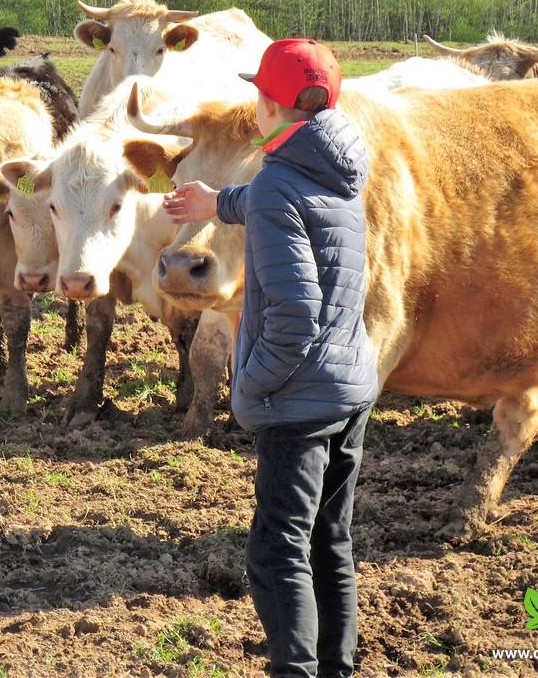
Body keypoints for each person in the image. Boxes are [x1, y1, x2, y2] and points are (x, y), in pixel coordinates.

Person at [163, 38, 379, 677]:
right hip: (349, 383)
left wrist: (252, 386)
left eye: (259, 94)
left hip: (297, 399)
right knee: (329, 541)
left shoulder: (278, 185)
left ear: (271, 105)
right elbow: (280, 203)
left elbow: (293, 315)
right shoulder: (335, 167)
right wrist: (217, 202)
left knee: (275, 552)